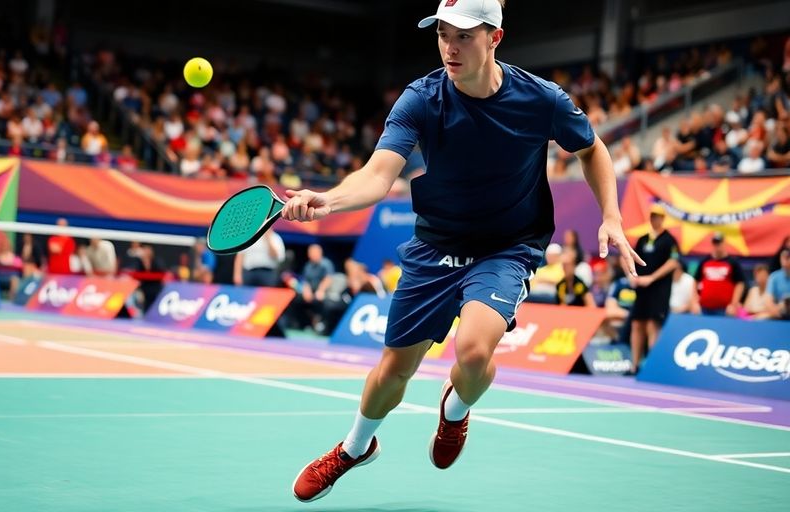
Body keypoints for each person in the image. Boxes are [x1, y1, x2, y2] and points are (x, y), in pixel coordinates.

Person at [283, 0, 641, 502]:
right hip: (435, 245)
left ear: (495, 38)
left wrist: (612, 217)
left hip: (506, 247)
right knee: (394, 370)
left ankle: (454, 410)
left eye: (464, 36)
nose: (450, 47)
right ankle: (355, 447)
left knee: (473, 352)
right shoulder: (421, 99)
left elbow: (591, 148)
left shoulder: (542, 100)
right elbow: (378, 174)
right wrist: (328, 200)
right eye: (443, 34)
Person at [630, 204, 680, 372]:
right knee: (637, 324)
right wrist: (633, 275)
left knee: (653, 325)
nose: (654, 219)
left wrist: (651, 278)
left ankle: (652, 366)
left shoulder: (669, 240)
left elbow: (673, 262)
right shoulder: (643, 239)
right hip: (641, 288)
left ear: (663, 218)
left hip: (659, 289)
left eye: (657, 216)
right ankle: (634, 365)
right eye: (652, 215)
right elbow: (632, 258)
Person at [693, 232, 745, 316]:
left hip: (724, 310)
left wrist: (733, 304)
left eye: (719, 244)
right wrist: (695, 302)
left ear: (725, 244)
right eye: (715, 244)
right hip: (704, 309)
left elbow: (740, 284)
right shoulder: (705, 261)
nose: (717, 246)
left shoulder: (732, 262)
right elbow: (695, 280)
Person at [763, 248, 790, 319]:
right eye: (782, 258)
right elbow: (768, 300)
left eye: (787, 258)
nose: (784, 261)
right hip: (779, 314)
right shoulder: (774, 277)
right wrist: (775, 311)